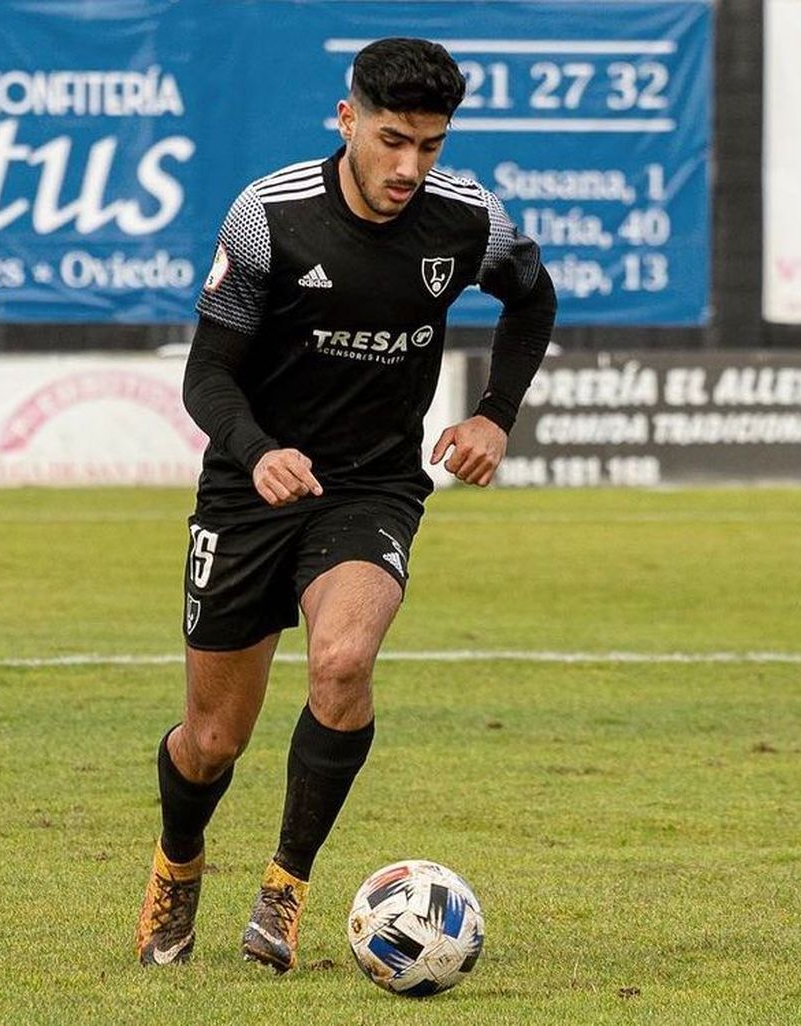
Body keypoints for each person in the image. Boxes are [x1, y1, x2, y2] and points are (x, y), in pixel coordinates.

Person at [135, 37, 556, 972]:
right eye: (394, 140)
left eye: (432, 146)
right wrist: (258, 451)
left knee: (343, 660)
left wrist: (494, 415)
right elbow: (207, 377)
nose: (411, 167)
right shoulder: (268, 217)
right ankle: (177, 862)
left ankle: (284, 890)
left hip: (370, 485)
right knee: (211, 741)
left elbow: (533, 298)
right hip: (251, 489)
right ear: (348, 117)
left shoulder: (467, 219)